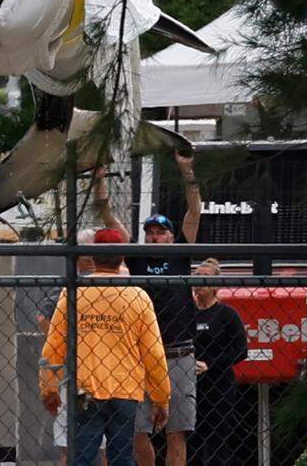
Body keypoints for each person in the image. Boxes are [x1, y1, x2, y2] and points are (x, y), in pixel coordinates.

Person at [96, 153, 202, 466]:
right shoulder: (137, 257)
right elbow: (108, 218)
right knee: (137, 431)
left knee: (177, 431)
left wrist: (187, 171)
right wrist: (100, 180)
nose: (155, 236)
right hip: (140, 356)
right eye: (150, 232)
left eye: (161, 232)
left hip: (179, 352)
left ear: (171, 235)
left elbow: (195, 209)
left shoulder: (181, 254)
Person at [40, 228, 171, 466]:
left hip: (85, 387)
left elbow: (54, 344)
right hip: (125, 388)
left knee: (82, 456)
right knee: (121, 456)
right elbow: (153, 352)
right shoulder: (137, 297)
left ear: (93, 257)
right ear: (121, 258)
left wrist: (48, 387)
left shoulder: (74, 293)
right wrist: (161, 398)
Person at [36, 230, 106, 466]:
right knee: (70, 445)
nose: (89, 263)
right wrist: (70, 344)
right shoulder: (67, 286)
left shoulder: (109, 282)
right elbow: (43, 319)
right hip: (76, 373)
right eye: (85, 257)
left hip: (102, 372)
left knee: (100, 446)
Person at [190, 259, 247, 465]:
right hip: (189, 385)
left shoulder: (227, 314)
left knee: (216, 442)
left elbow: (240, 351)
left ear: (216, 284)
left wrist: (211, 364)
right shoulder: (187, 313)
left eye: (205, 277)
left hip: (219, 387)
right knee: (191, 441)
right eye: (196, 276)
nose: (199, 281)